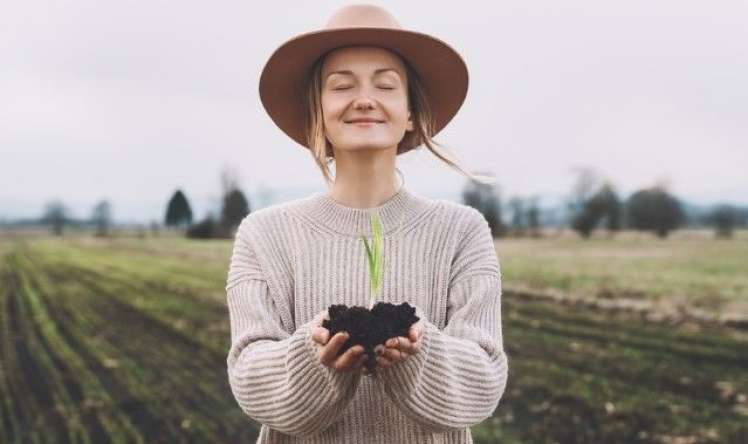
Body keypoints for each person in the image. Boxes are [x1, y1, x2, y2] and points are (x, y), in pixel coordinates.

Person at [225, 4, 508, 443]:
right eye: (342, 85)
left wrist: (417, 351)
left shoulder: (461, 231)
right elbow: (250, 375)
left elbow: (483, 379)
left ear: (411, 111)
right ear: (316, 110)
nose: (364, 98)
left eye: (385, 84)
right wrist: (314, 354)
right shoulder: (266, 235)